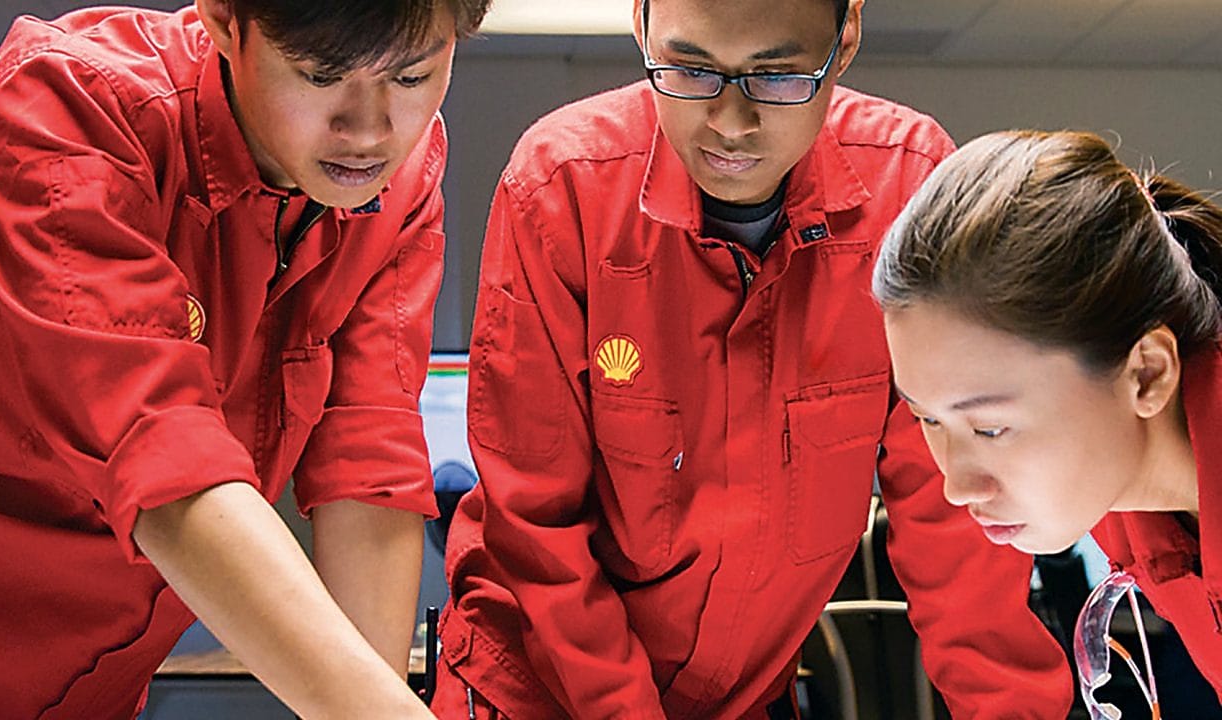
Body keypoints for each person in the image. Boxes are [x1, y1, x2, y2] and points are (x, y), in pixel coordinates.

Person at [433, 0, 1073, 716]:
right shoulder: (563, 188)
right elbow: (536, 528)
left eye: (777, 77)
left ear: (845, 37)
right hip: (538, 690)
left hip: (743, 694)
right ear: (641, 24)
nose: (731, 123)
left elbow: (958, 529)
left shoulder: (908, 191)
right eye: (690, 70)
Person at [0, 0, 489, 716]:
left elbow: (368, 456)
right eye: (321, 75)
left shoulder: (398, 179)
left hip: (95, 688)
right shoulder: (71, 105)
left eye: (412, 77)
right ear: (226, 20)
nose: (368, 131)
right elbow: (160, 456)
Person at [874, 129, 1222, 701]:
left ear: (1147, 373)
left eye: (991, 428)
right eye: (927, 420)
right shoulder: (1119, 493)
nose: (957, 488)